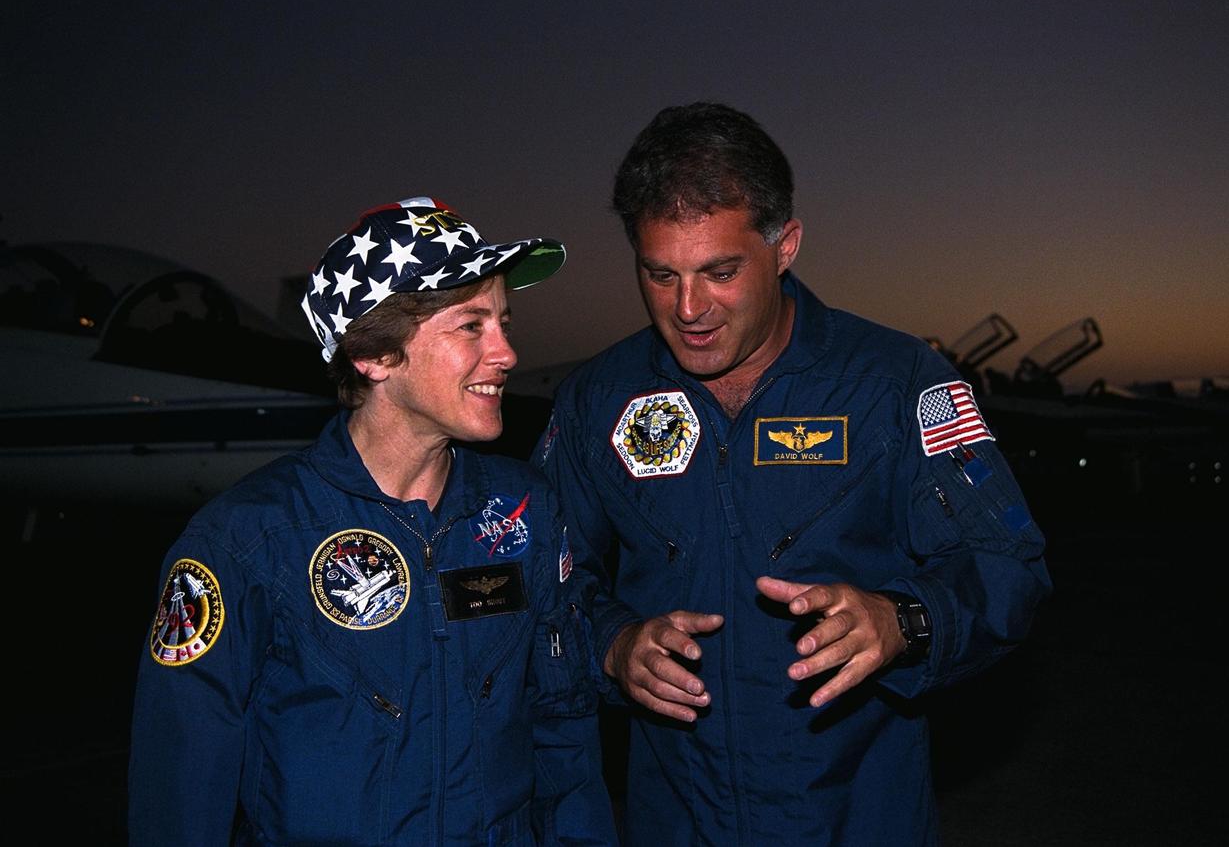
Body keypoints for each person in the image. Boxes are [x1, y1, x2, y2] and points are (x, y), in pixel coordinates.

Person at [535, 104, 1052, 845]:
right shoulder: (597, 400)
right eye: (660, 274)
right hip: (675, 822)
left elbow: (1009, 565)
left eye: (719, 271)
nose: (688, 309)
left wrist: (902, 620)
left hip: (855, 819)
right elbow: (539, 580)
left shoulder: (896, 382)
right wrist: (613, 645)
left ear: (786, 246)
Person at [129, 197, 617, 846]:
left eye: (503, 320)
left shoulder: (523, 510)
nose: (506, 351)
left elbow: (565, 731)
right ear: (375, 355)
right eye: (471, 325)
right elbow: (181, 799)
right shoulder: (245, 541)